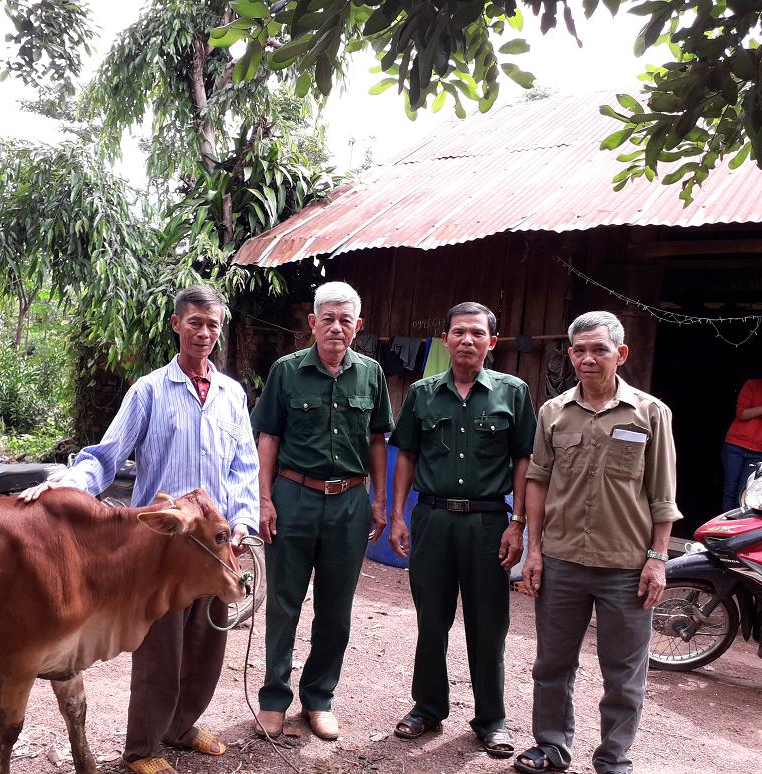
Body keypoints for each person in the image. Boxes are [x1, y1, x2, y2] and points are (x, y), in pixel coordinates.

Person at [18, 285, 259, 774]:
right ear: (177, 326)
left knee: (208, 642)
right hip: (164, 547)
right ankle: (144, 748)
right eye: (195, 323)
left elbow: (244, 466)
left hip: (215, 543)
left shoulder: (233, 394)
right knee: (160, 652)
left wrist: (244, 520)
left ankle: (182, 725)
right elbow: (106, 457)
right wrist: (61, 485)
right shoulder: (149, 390)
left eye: (213, 325)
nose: (205, 333)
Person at [517, 311, 682, 774]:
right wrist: (534, 550)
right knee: (552, 665)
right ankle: (550, 748)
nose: (588, 359)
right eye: (580, 351)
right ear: (570, 355)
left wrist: (657, 558)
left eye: (599, 349)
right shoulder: (553, 412)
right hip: (562, 561)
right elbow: (538, 482)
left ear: (620, 354)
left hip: (626, 566)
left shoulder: (650, 413)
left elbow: (662, 494)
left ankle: (614, 758)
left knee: (624, 674)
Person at [387, 301, 535, 758]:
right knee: (432, 619)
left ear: (492, 342)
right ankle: (427, 707)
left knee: (488, 625)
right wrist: (397, 515)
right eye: (458, 332)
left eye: (476, 333)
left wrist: (519, 522)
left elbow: (524, 460)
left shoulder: (512, 392)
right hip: (432, 519)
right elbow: (407, 454)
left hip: (489, 523)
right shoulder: (422, 393)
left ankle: (492, 720)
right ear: (446, 339)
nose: (466, 340)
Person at [250, 281, 393, 741]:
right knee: (284, 602)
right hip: (293, 496)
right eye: (327, 318)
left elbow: (377, 440)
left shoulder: (371, 374)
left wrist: (379, 499)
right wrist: (264, 498)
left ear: (358, 326)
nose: (335, 327)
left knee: (336, 608)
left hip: (349, 502)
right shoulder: (286, 372)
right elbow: (268, 437)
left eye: (344, 320)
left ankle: (319, 698)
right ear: (312, 323)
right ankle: (274, 698)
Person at [721, 378, 762, 511]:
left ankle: (737, 530)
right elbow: (741, 413)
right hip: (736, 445)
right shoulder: (753, 384)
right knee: (730, 490)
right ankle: (724, 529)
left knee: (745, 494)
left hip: (758, 452)